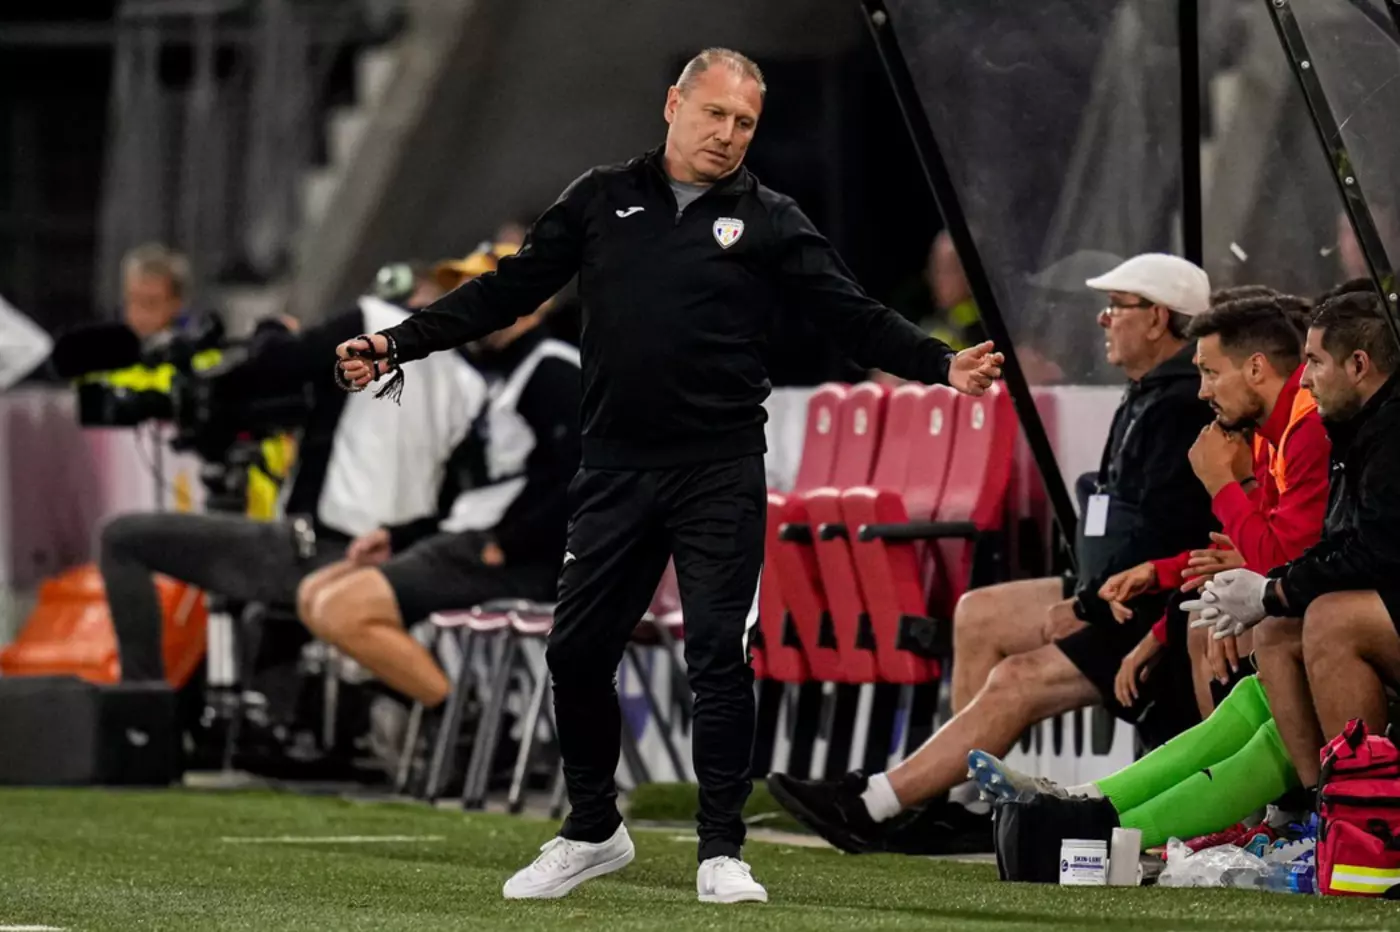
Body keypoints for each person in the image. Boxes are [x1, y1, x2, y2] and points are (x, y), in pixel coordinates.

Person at [334, 47, 1003, 904]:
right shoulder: (599, 197)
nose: (728, 134)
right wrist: (398, 343)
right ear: (673, 105)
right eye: (714, 114)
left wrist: (940, 364)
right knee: (576, 653)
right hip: (614, 469)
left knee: (719, 654)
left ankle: (722, 851)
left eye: (745, 123)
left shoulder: (770, 218)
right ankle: (592, 829)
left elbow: (852, 315)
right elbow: (505, 292)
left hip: (719, 471)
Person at [767, 252, 1218, 856]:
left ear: (1159, 318)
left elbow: (1163, 540)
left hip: (1145, 603)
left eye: (1117, 307)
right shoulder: (1151, 395)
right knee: (978, 613)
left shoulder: (1180, 405)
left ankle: (872, 804)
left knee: (1017, 678)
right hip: (1109, 586)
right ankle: (962, 806)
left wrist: (1085, 605)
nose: (1103, 319)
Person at [100, 261, 485, 685]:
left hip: (319, 550)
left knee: (122, 540)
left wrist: (270, 331)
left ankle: (142, 705)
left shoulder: (373, 322)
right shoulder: (470, 379)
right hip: (400, 562)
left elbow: (274, 365)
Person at [299, 286, 579, 713]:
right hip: (475, 537)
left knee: (340, 611)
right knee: (314, 594)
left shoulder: (553, 370)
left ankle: (464, 724)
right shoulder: (503, 373)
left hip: (512, 556)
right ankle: (434, 708)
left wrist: (510, 544)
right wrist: (403, 536)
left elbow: (584, 478)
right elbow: (483, 491)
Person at [1187, 288, 1400, 797]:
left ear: (1358, 365)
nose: (1304, 378)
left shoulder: (1361, 431)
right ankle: (1313, 808)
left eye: (1316, 362)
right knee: (1274, 630)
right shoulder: (1350, 426)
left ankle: (1365, 810)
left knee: (1329, 619)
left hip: (1376, 595)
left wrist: (1223, 486)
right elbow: (1334, 543)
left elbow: (1374, 554)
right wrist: (1273, 590)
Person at [1104, 293, 1330, 718]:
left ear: (1256, 368)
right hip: (1304, 592)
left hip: (1330, 601)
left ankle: (1281, 760)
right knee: (1204, 619)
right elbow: (1245, 547)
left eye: (1210, 372)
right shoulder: (1272, 430)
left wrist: (1220, 481)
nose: (1202, 391)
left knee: (1215, 622)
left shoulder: (1308, 429)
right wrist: (1161, 573)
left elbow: (1276, 561)